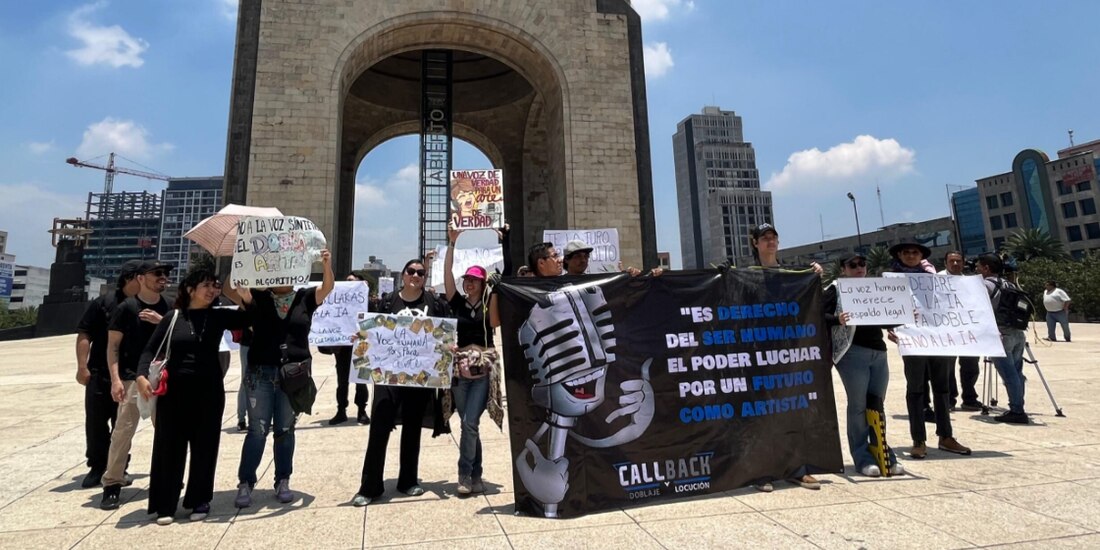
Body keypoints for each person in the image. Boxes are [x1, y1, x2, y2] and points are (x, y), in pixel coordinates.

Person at [135, 270, 249, 525]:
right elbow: (150, 350)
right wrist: (141, 376)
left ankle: (199, 499)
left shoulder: (218, 317)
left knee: (205, 446)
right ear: (189, 289)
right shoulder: (172, 317)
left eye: (215, 286)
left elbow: (253, 318)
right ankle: (166, 503)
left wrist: (244, 296)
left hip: (209, 392)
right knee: (169, 446)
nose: (212, 290)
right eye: (206, 285)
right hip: (173, 393)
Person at [235, 249, 335, 507]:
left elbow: (327, 288)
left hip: (293, 374)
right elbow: (236, 288)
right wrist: (243, 258)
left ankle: (283, 479)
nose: (283, 276)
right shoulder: (257, 297)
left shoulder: (305, 297)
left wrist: (326, 264)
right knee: (257, 429)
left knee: (285, 429)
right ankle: (245, 482)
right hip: (261, 372)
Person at [352, 259, 451, 506]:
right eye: (411, 271)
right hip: (388, 376)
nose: (415, 275)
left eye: (421, 272)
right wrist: (361, 336)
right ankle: (370, 486)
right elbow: (372, 332)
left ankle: (408, 480)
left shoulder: (433, 304)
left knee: (412, 428)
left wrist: (450, 345)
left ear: (425, 277)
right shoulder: (387, 302)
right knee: (379, 427)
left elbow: (444, 334)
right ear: (404, 275)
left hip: (419, 377)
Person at [748, 223, 821, 491]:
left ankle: (797, 469)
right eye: (764, 238)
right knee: (761, 414)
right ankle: (762, 471)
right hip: (758, 354)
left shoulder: (793, 273)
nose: (770, 241)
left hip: (789, 353)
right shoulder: (746, 275)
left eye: (774, 237)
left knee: (793, 409)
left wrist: (814, 277)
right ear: (754, 242)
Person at [886, 241, 971, 458]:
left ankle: (946, 436)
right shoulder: (890, 279)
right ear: (899, 255)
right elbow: (885, 306)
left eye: (915, 252)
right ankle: (918, 440)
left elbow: (954, 305)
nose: (911, 255)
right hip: (912, 340)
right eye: (906, 252)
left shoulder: (935, 279)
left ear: (921, 255)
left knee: (942, 388)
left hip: (938, 339)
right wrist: (890, 328)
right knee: (915, 390)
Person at [100, 260, 172, 510]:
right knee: (123, 431)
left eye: (165, 274)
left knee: (166, 431)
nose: (163, 278)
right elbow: (113, 346)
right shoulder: (127, 308)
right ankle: (112, 483)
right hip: (132, 377)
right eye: (157, 274)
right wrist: (116, 379)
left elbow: (180, 335)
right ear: (141, 278)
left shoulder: (169, 307)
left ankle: (167, 479)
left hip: (161, 375)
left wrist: (161, 320)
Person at [824, 253, 904, 477]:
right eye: (853, 265)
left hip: (879, 352)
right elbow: (819, 314)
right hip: (852, 353)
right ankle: (862, 457)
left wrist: (905, 315)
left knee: (877, 405)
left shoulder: (875, 288)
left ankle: (883, 453)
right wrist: (837, 319)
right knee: (858, 405)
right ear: (843, 270)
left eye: (862, 264)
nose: (859, 268)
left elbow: (885, 319)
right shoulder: (835, 289)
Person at [444, 224, 504, 495]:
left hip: (482, 370)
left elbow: (495, 324)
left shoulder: (489, 303)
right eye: (467, 279)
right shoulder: (457, 302)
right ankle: (477, 474)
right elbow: (447, 276)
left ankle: (464, 474)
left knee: (470, 422)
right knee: (469, 425)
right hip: (459, 371)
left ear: (483, 283)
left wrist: (506, 244)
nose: (469, 283)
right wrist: (452, 244)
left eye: (475, 280)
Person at [74, 259, 142, 489]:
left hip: (129, 373)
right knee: (95, 421)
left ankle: (119, 465)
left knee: (122, 423)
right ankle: (97, 465)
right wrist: (82, 366)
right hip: (99, 373)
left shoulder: (143, 305)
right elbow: (85, 334)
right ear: (131, 278)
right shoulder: (102, 303)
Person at [977, 254, 1030, 424]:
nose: (977, 269)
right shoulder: (1010, 283)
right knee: (1017, 372)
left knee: (1009, 375)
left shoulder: (985, 285)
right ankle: (1018, 405)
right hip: (1017, 333)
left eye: (979, 266)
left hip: (1000, 334)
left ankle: (1017, 410)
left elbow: (979, 307)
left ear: (986, 268)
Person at [937, 251, 982, 411]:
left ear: (963, 263)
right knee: (947, 368)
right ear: (945, 263)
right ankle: (949, 400)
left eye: (958, 261)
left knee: (971, 366)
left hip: (968, 330)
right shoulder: (936, 280)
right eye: (952, 261)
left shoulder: (971, 282)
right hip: (947, 331)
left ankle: (970, 398)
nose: (955, 264)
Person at [329, 273, 371, 425]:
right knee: (342, 381)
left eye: (352, 281)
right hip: (343, 348)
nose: (348, 283)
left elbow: (373, 320)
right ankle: (341, 411)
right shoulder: (338, 301)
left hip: (360, 347)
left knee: (361, 380)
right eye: (347, 281)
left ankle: (362, 411)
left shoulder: (365, 301)